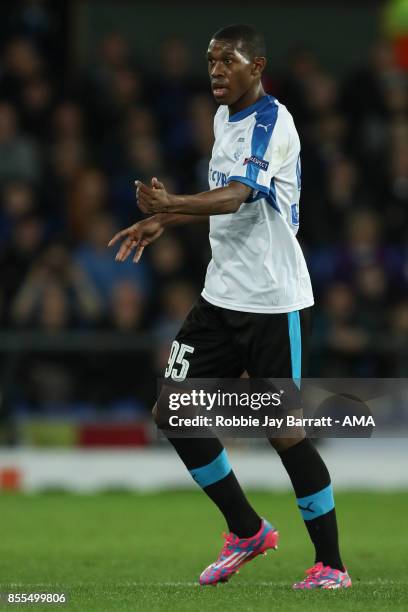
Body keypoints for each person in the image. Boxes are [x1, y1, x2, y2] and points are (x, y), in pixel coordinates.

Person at [109, 24, 351, 591]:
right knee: (174, 412)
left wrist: (172, 201)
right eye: (211, 60)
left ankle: (332, 565)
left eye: (228, 61)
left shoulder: (273, 122)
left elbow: (242, 193)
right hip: (220, 297)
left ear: (257, 66)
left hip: (273, 301)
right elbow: (226, 204)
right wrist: (166, 218)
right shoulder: (223, 119)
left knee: (281, 428)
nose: (216, 70)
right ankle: (246, 530)